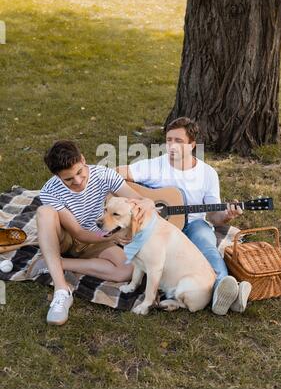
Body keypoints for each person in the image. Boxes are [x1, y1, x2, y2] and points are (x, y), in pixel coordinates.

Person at [117, 117, 252, 316]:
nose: (171, 146)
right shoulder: (155, 165)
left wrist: (227, 216)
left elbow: (214, 218)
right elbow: (117, 173)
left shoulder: (208, 173)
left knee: (207, 247)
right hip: (158, 229)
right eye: (168, 140)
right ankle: (228, 297)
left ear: (192, 145)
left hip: (194, 224)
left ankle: (222, 288)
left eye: (178, 141)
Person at [34, 140, 154, 325]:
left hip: (98, 236)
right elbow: (79, 233)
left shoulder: (104, 174)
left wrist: (148, 202)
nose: (78, 181)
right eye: (69, 179)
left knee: (127, 269)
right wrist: (114, 235)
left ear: (83, 160)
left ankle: (56, 263)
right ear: (57, 176)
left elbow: (137, 200)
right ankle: (61, 291)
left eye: (80, 172)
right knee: (44, 212)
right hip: (68, 237)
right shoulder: (49, 191)